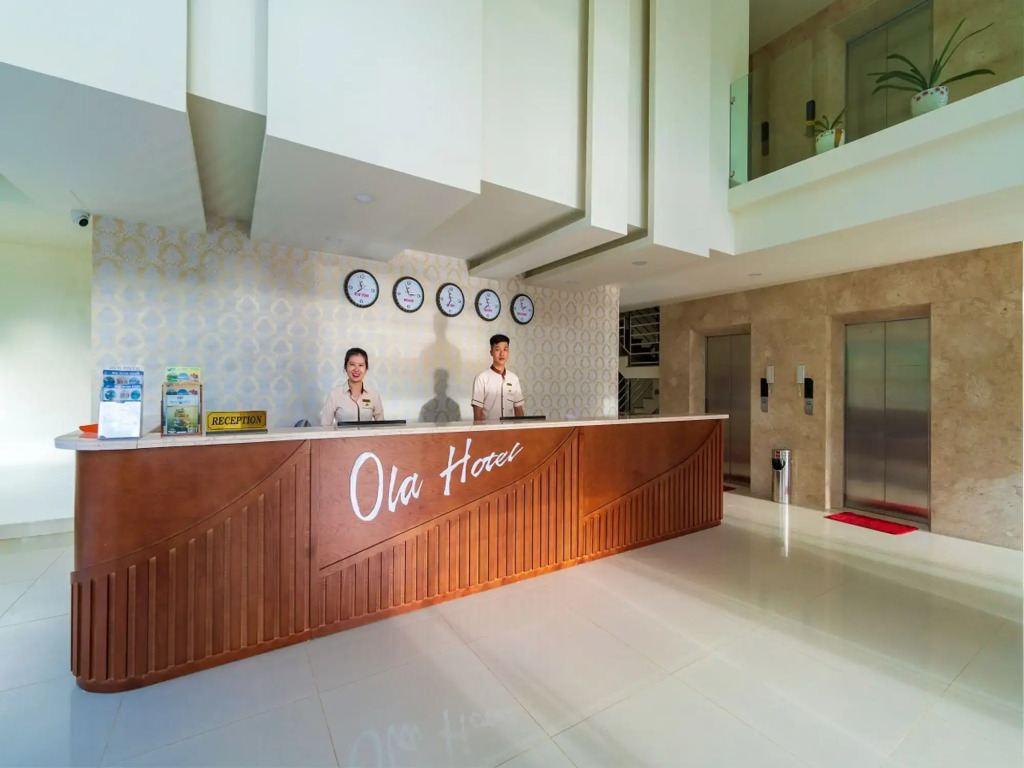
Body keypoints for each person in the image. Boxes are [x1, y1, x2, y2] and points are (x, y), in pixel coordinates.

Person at [319, 347, 384, 425]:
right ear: (345, 367)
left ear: (366, 368)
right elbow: (325, 426)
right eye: (352, 364)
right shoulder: (334, 395)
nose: (356, 369)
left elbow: (381, 425)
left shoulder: (374, 395)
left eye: (361, 365)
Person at [471, 334, 525, 421]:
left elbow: (519, 409)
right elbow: (477, 415)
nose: (502, 354)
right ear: (491, 352)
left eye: (505, 349)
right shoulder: (481, 379)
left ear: (508, 352)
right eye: (497, 349)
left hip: (509, 428)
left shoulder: (514, 379)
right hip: (488, 428)